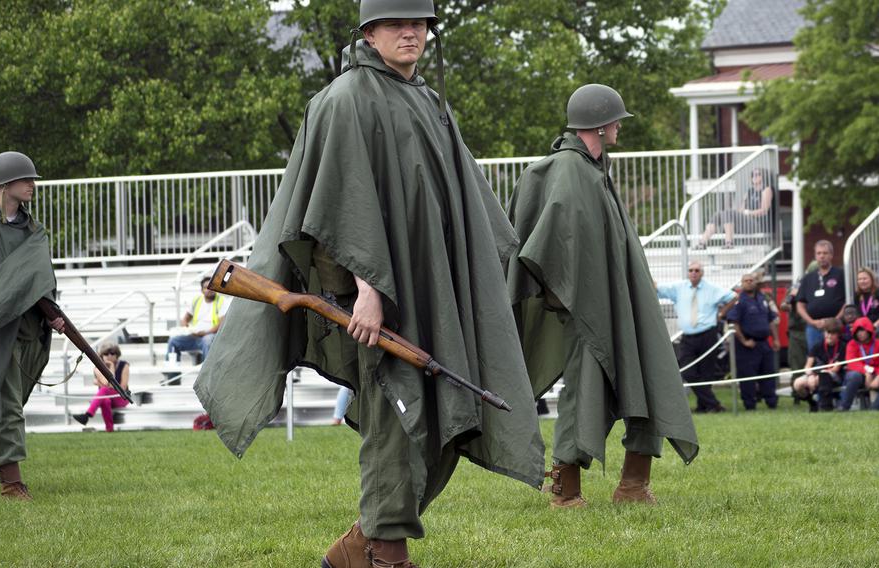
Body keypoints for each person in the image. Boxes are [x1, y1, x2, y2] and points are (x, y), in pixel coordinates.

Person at [194, 3, 544, 566]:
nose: (411, 32)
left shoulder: (428, 100)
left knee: (437, 420)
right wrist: (369, 292)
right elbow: (340, 208)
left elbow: (456, 206)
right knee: (395, 421)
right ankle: (386, 552)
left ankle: (357, 547)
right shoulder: (344, 100)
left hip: (430, 296)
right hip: (373, 300)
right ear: (369, 32)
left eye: (421, 23)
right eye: (396, 23)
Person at [508, 83, 698, 509]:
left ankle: (633, 486)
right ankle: (565, 490)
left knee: (645, 376)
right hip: (586, 311)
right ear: (600, 123)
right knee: (584, 392)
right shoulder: (567, 171)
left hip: (619, 306)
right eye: (616, 120)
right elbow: (549, 240)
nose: (619, 127)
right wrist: (571, 295)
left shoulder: (594, 170)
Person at [0, 151, 66, 500]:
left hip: (27, 330)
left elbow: (38, 281)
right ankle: (11, 483)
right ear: (4, 184)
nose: (32, 185)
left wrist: (51, 313)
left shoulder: (33, 231)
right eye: (26, 180)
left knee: (9, 401)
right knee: (7, 406)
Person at [656, 262, 736, 413]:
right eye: (691, 270)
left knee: (706, 373)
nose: (693, 273)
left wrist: (721, 313)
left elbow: (733, 296)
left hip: (708, 335)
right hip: (688, 337)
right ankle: (714, 404)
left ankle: (703, 406)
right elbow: (657, 289)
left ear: (702, 273)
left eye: (697, 270)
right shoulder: (679, 288)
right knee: (688, 372)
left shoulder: (711, 288)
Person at [726, 273, 780, 410]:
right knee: (747, 376)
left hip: (764, 342)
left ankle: (771, 402)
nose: (749, 283)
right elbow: (734, 322)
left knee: (768, 373)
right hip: (748, 344)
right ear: (742, 283)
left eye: (751, 280)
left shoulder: (763, 298)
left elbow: (771, 320)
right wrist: (744, 341)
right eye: (746, 281)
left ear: (756, 283)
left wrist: (776, 339)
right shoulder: (739, 301)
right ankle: (750, 404)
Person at [694, 167, 774, 249]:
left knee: (729, 212)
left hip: (758, 225)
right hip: (745, 223)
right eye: (753, 175)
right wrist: (741, 211)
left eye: (757, 174)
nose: (754, 176)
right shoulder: (750, 191)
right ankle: (702, 242)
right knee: (719, 214)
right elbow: (740, 210)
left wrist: (747, 212)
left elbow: (764, 210)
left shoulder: (766, 190)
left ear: (763, 176)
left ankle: (729, 242)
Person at [796, 240, 845, 351]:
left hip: (835, 326)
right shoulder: (808, 278)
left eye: (825, 253)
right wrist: (811, 321)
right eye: (819, 253)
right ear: (815, 256)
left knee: (835, 359)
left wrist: (835, 320)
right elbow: (800, 304)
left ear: (831, 255)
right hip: (813, 327)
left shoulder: (841, 274)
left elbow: (848, 300)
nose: (822, 256)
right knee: (815, 359)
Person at [166, 277, 227, 364]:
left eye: (212, 286)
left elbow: (221, 324)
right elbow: (185, 319)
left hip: (211, 335)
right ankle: (173, 375)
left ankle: (206, 373)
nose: (210, 289)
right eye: (206, 287)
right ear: (202, 290)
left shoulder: (221, 301)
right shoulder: (197, 300)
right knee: (173, 341)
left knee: (207, 340)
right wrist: (187, 329)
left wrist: (205, 333)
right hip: (195, 336)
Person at [72, 343, 130, 432]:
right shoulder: (97, 368)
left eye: (112, 353)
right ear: (102, 355)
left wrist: (111, 367)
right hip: (105, 397)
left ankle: (87, 415)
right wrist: (103, 383)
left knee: (104, 389)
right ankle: (109, 429)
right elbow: (107, 383)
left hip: (121, 398)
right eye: (106, 353)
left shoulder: (124, 365)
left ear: (117, 354)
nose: (109, 355)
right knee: (105, 400)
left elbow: (122, 387)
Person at [793, 318, 845, 412]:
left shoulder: (842, 347)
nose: (829, 336)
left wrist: (817, 376)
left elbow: (835, 369)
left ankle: (825, 407)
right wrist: (811, 375)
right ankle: (812, 402)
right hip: (815, 374)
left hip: (834, 376)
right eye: (827, 332)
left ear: (838, 334)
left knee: (822, 377)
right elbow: (807, 366)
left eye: (832, 333)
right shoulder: (817, 346)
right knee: (797, 384)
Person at [839, 317, 879, 411]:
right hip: (860, 375)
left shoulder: (877, 344)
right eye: (857, 331)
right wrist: (867, 371)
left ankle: (874, 409)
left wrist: (876, 373)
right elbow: (851, 362)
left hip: (876, 375)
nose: (859, 334)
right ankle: (844, 407)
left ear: (869, 330)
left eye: (862, 330)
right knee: (853, 376)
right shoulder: (852, 344)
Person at [781, 280, 809, 373]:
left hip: (813, 328)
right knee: (796, 363)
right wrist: (793, 302)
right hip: (797, 331)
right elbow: (783, 306)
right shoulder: (795, 288)